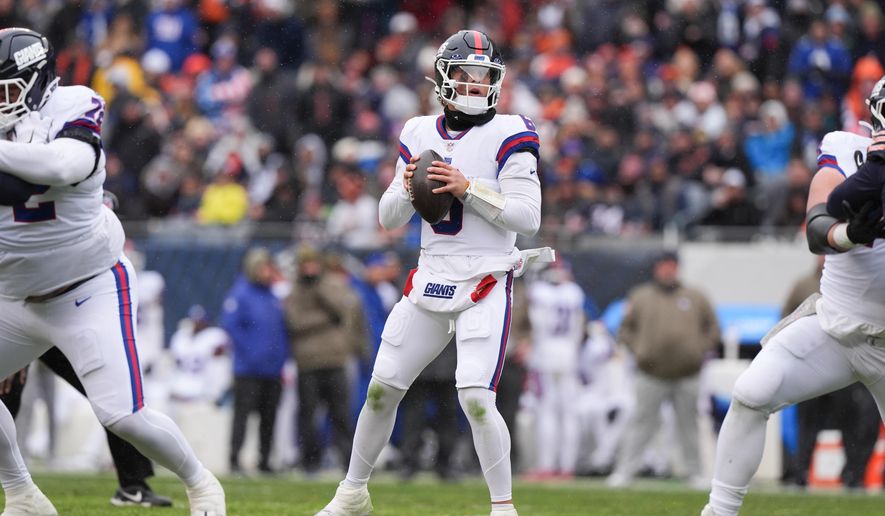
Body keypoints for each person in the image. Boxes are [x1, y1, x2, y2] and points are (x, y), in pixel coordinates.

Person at [317, 29, 547, 516]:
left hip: (486, 277)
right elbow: (388, 219)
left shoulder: (511, 131)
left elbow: (529, 219)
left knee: (476, 398)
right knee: (381, 390)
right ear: (443, 79)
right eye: (466, 75)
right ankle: (352, 493)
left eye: (484, 76)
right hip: (431, 274)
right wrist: (404, 187)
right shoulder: (418, 132)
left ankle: (503, 508)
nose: (476, 84)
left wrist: (467, 189)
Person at [0, 28, 224, 515]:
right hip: (14, 298)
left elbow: (64, 166)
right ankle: (21, 494)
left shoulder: (76, 103)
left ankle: (200, 481)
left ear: (36, 83)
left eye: (6, 90)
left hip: (85, 288)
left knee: (124, 416)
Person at [701, 77, 885, 516]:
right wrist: (848, 233)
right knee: (751, 392)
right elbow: (817, 228)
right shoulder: (845, 147)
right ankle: (719, 511)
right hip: (836, 327)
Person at [607, 250, 719, 489]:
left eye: (671, 265)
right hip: (650, 372)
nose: (668, 270)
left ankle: (695, 472)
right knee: (641, 422)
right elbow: (625, 330)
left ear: (677, 268)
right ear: (656, 268)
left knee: (689, 425)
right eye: (663, 265)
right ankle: (625, 471)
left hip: (687, 373)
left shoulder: (696, 296)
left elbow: (713, 329)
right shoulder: (640, 297)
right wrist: (639, 350)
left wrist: (699, 351)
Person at [780, 257, 879, 489]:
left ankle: (852, 476)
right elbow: (786, 317)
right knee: (808, 424)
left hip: (844, 365)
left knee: (851, 421)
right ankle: (800, 473)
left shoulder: (852, 281)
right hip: (809, 365)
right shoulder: (803, 284)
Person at [285, 245, 366, 475]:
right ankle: (310, 461)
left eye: (313, 263)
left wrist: (321, 293)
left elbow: (345, 310)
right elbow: (296, 321)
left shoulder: (331, 284)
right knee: (308, 415)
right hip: (307, 361)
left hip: (335, 359)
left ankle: (348, 462)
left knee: (341, 414)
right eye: (305, 264)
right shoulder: (295, 291)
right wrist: (326, 318)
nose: (309, 269)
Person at [220, 247, 289, 474]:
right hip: (248, 369)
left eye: (269, 267)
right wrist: (252, 352)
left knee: (269, 418)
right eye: (262, 267)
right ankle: (234, 458)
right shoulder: (240, 294)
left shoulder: (273, 295)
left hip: (272, 369)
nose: (267, 272)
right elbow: (231, 326)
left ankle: (265, 460)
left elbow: (280, 331)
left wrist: (279, 357)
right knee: (242, 416)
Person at [525, 259, 587, 479]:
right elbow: (579, 328)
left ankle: (547, 465)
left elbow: (536, 323)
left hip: (546, 354)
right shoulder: (574, 292)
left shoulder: (539, 292)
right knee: (569, 412)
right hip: (569, 354)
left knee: (547, 411)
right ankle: (568, 466)